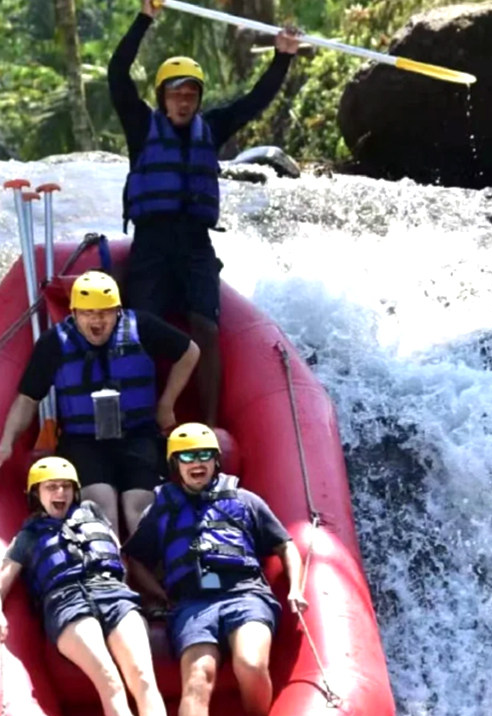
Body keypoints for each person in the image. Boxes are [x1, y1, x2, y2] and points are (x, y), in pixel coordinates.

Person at [108, 1, 301, 427]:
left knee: (206, 328)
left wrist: (282, 57)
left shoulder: (211, 128)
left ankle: (211, 425)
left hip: (195, 242)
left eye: (190, 95)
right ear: (162, 98)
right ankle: (145, 418)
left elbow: (255, 101)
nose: (183, 102)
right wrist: (144, 19)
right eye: (176, 95)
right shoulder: (141, 126)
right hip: (153, 242)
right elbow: (117, 75)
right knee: (144, 329)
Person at [121, 423, 308, 716]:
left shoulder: (244, 500)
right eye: (188, 456)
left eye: (205, 455)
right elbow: (134, 558)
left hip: (245, 594)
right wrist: (158, 594)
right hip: (192, 604)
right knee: (197, 673)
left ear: (216, 462)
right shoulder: (163, 510)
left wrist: (295, 588)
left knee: (250, 662)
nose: (198, 462)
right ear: (175, 464)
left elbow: (285, 544)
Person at [0, 456, 178, 716]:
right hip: (67, 602)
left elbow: (121, 557)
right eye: (50, 487)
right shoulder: (28, 537)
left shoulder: (93, 515)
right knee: (109, 678)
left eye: (65, 487)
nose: (59, 493)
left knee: (142, 675)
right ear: (36, 494)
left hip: (113, 594)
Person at [0, 270, 200, 536]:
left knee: (139, 508)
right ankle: (110, 567)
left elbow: (190, 351)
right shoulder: (54, 343)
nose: (97, 320)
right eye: (88, 313)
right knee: (101, 506)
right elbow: (28, 399)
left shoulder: (142, 327)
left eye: (104, 313)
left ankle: (152, 572)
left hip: (138, 435)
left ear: (118, 312)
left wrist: (166, 404)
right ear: (74, 314)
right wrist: (6, 442)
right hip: (83, 442)